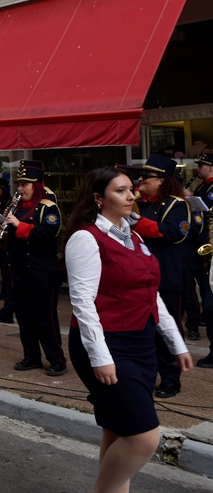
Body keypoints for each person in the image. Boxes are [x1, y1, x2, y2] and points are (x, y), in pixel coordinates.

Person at [64, 167, 193, 493]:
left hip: (140, 343)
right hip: (106, 344)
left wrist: (176, 344)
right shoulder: (86, 237)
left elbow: (153, 296)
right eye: (120, 191)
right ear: (98, 198)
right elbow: (82, 302)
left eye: (130, 189)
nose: (130, 195)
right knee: (143, 437)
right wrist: (100, 357)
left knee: (118, 431)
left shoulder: (133, 235)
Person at [134, 154, 192, 398]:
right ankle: (146, 376)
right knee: (143, 330)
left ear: (162, 181)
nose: (141, 179)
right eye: (142, 175)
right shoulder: (138, 202)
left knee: (166, 329)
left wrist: (135, 221)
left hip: (166, 275)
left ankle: (170, 379)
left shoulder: (176, 205)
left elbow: (171, 233)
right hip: (138, 276)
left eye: (147, 176)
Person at [5, 160, 67, 376]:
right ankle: (31, 356)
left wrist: (17, 226)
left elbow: (48, 233)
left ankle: (57, 359)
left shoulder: (48, 208)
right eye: (19, 184)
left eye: (26, 184)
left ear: (37, 185)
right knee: (24, 319)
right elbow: (14, 237)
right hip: (20, 272)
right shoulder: (16, 208)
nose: (20, 188)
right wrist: (2, 231)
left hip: (41, 274)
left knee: (45, 320)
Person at [184, 153, 213, 366]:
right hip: (199, 241)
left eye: (201, 166)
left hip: (207, 242)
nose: (198, 169)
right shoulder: (204, 185)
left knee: (206, 285)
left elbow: (206, 209)